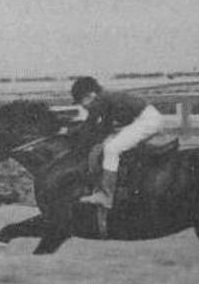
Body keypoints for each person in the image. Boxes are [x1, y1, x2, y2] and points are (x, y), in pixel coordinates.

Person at [71, 76, 165, 234]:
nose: (82, 106)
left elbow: (100, 126)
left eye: (82, 102)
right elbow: (94, 125)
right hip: (144, 119)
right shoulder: (103, 99)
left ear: (90, 95)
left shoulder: (103, 100)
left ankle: (106, 196)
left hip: (147, 121)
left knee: (111, 149)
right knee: (110, 144)